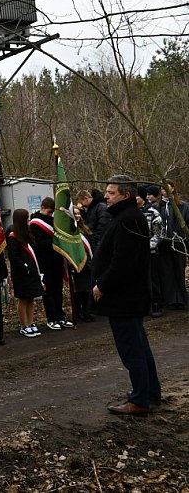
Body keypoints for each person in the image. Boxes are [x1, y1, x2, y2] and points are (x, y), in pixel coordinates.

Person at [92, 175, 161, 416]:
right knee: (140, 347)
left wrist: (102, 285)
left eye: (111, 193)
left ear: (126, 195)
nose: (106, 196)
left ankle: (140, 400)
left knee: (132, 351)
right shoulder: (126, 216)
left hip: (125, 298)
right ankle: (150, 392)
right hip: (130, 297)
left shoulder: (127, 220)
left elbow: (122, 262)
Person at [30, 197, 73, 331]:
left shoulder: (54, 221)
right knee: (49, 291)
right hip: (45, 261)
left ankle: (60, 316)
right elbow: (39, 243)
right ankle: (52, 318)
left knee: (58, 289)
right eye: (49, 212)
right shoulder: (35, 223)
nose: (50, 215)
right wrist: (56, 241)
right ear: (42, 208)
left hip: (57, 260)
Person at [6, 209, 44, 338]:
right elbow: (14, 256)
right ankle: (24, 325)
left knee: (31, 298)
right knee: (23, 299)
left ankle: (31, 322)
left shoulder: (28, 234)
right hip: (21, 274)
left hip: (32, 272)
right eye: (26, 219)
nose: (29, 221)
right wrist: (25, 267)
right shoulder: (12, 237)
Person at [157, 180, 189, 311]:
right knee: (167, 271)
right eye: (162, 189)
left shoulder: (183, 206)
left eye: (167, 188)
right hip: (163, 243)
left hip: (179, 242)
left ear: (173, 189)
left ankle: (181, 299)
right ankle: (170, 299)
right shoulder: (158, 206)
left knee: (178, 270)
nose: (164, 191)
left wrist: (180, 236)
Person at [138, 186, 164, 317]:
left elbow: (158, 234)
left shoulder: (154, 212)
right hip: (134, 254)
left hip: (150, 252)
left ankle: (156, 304)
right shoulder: (131, 213)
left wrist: (147, 247)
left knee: (152, 279)